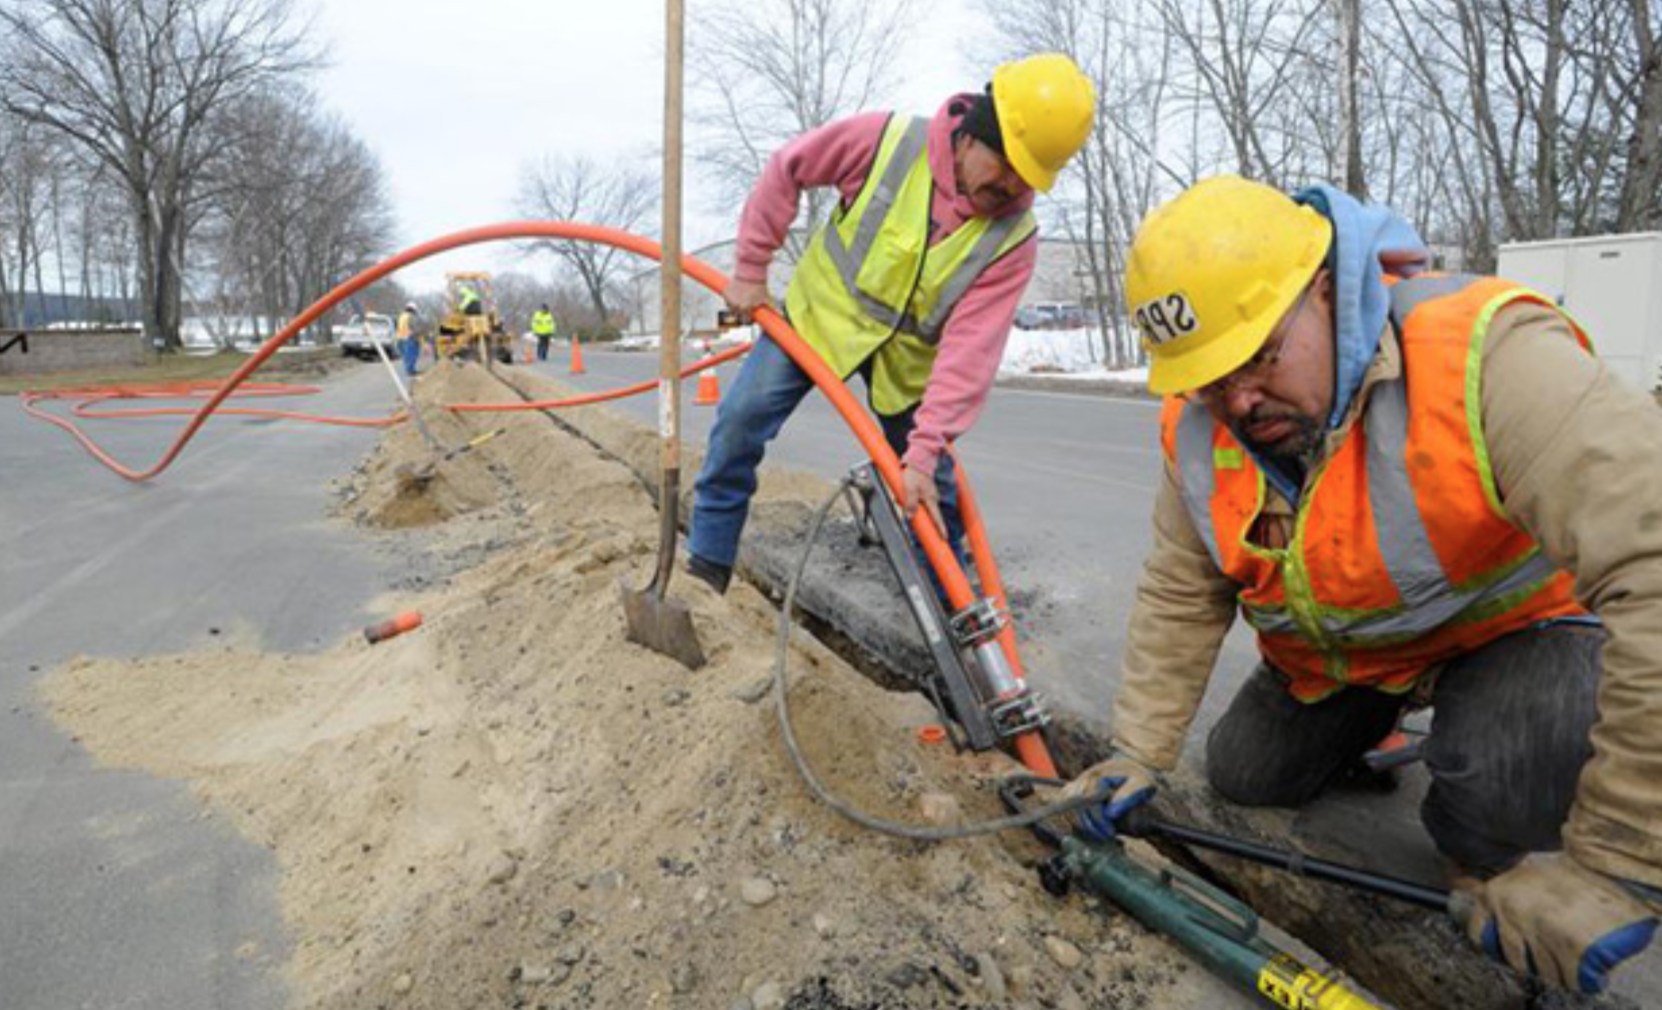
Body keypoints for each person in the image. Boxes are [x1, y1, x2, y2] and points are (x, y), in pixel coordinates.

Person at [1060, 175, 1662, 995]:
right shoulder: (1201, 426)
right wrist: (1136, 751)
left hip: (1516, 638)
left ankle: (1488, 808)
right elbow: (1181, 590)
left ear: (1325, 289)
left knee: (1486, 813)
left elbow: (1653, 564)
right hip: (1354, 658)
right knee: (1244, 773)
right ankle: (1387, 728)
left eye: (1262, 355)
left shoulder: (1487, 357)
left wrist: (1619, 860)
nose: (1238, 399)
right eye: (1208, 378)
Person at [685, 52, 1095, 594]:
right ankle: (706, 571)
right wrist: (751, 268)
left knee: (935, 494)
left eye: (1031, 176)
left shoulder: (1012, 237)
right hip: (818, 321)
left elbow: (968, 354)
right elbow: (788, 167)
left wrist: (922, 455)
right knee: (739, 422)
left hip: (908, 369)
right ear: (972, 134)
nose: (1014, 185)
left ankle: (950, 627)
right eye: (1007, 162)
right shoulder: (888, 142)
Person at [396, 302, 421, 376]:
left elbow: (399, 327)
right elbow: (414, 328)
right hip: (409, 338)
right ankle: (411, 371)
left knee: (406, 356)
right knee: (412, 355)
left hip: (400, 338)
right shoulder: (411, 317)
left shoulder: (401, 316)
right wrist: (418, 337)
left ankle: (409, 370)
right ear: (413, 309)